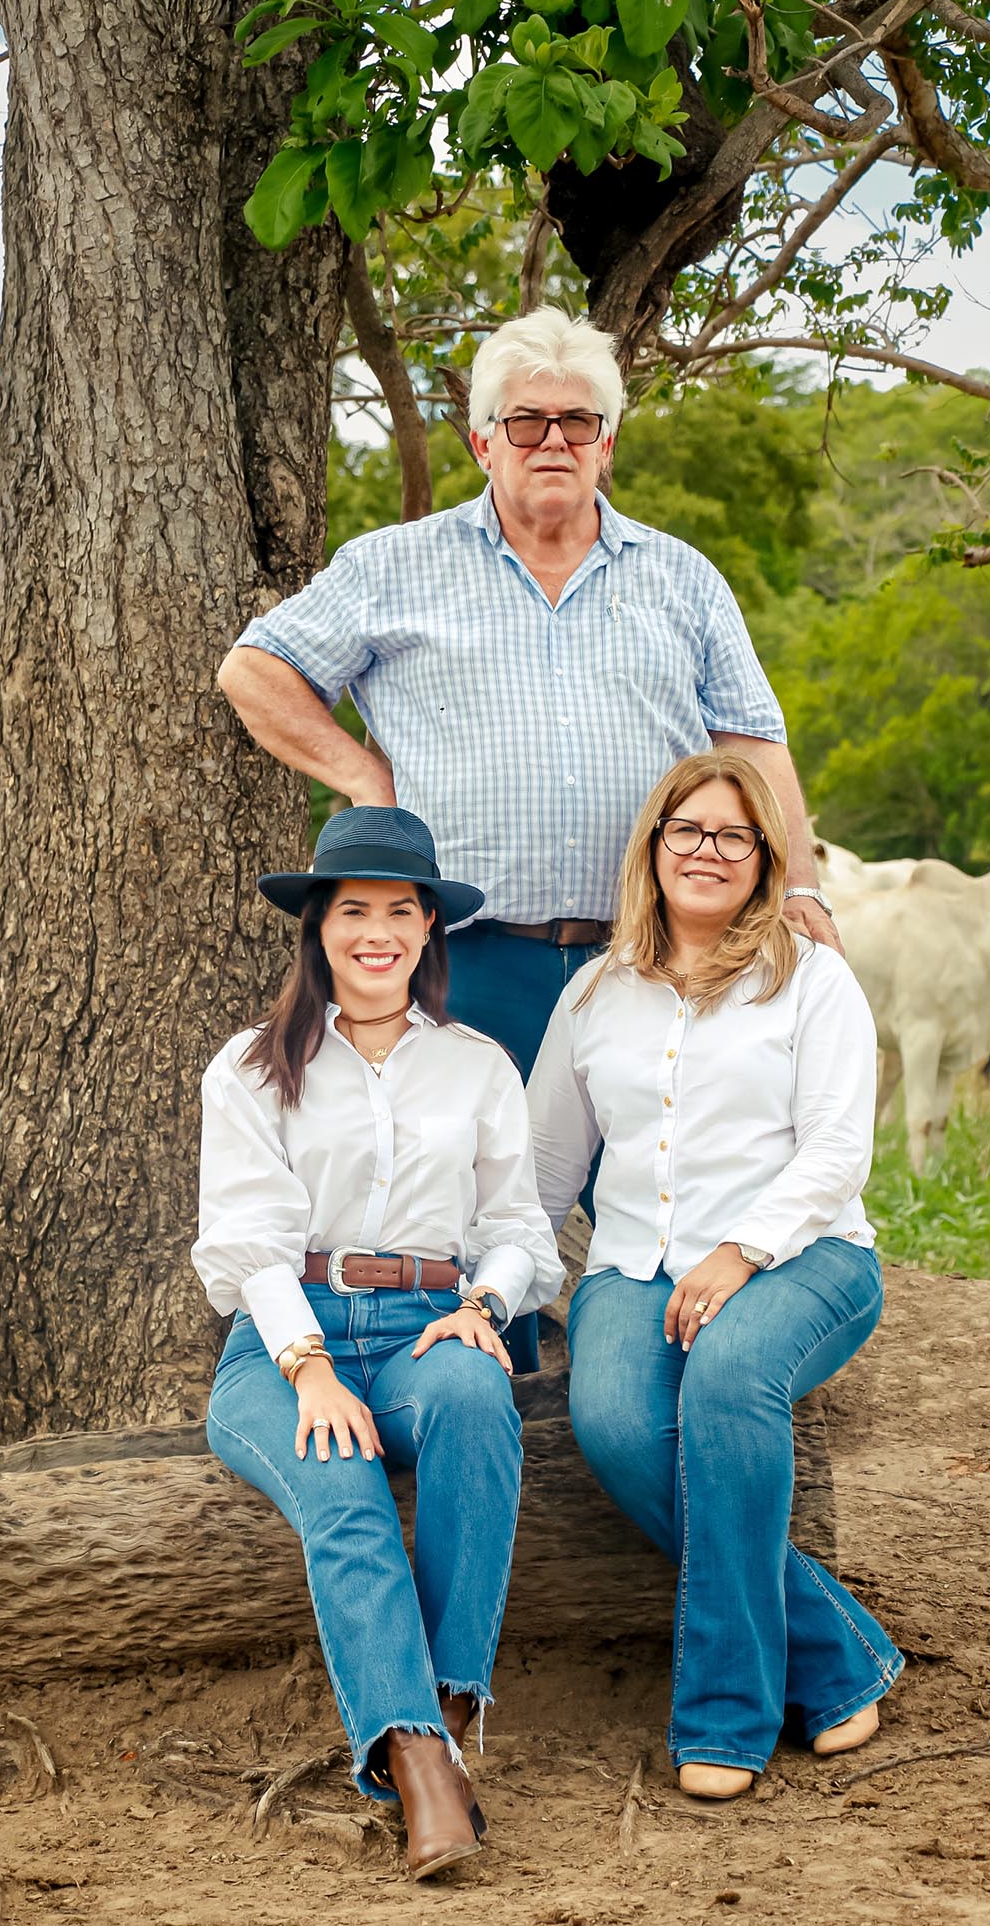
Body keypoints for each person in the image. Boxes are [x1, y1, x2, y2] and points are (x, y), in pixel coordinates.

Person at [217, 306, 837, 1371]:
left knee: (668, 1194)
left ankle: (700, 1386)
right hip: (471, 955)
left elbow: (753, 743)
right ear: (480, 440)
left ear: (609, 442)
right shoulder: (393, 566)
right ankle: (467, 1399)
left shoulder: (682, 579)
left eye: (576, 421)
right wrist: (368, 778)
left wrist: (800, 890)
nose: (553, 441)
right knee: (469, 1199)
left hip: (650, 959)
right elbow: (253, 670)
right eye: (526, 421)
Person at [192, 805, 564, 1878]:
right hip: (280, 1340)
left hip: (424, 1322)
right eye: (353, 910)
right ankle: (419, 1762)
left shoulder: (477, 1066)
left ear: (427, 931)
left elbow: (515, 1232)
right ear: (316, 930)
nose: (377, 932)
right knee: (342, 1480)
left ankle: (441, 1706)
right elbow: (246, 1241)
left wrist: (486, 1307)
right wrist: (308, 1371)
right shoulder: (253, 1069)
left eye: (401, 911)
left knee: (472, 1400)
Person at [526, 750, 903, 1798]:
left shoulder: (812, 980)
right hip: (634, 1268)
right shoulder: (595, 994)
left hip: (805, 1258)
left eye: (733, 837)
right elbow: (545, 1170)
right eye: (686, 831)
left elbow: (837, 1151)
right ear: (653, 848)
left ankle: (724, 1717)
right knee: (610, 1422)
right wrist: (483, 1285)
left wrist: (743, 1250)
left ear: (764, 860)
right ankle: (835, 1657)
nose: (706, 851)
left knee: (729, 1379)